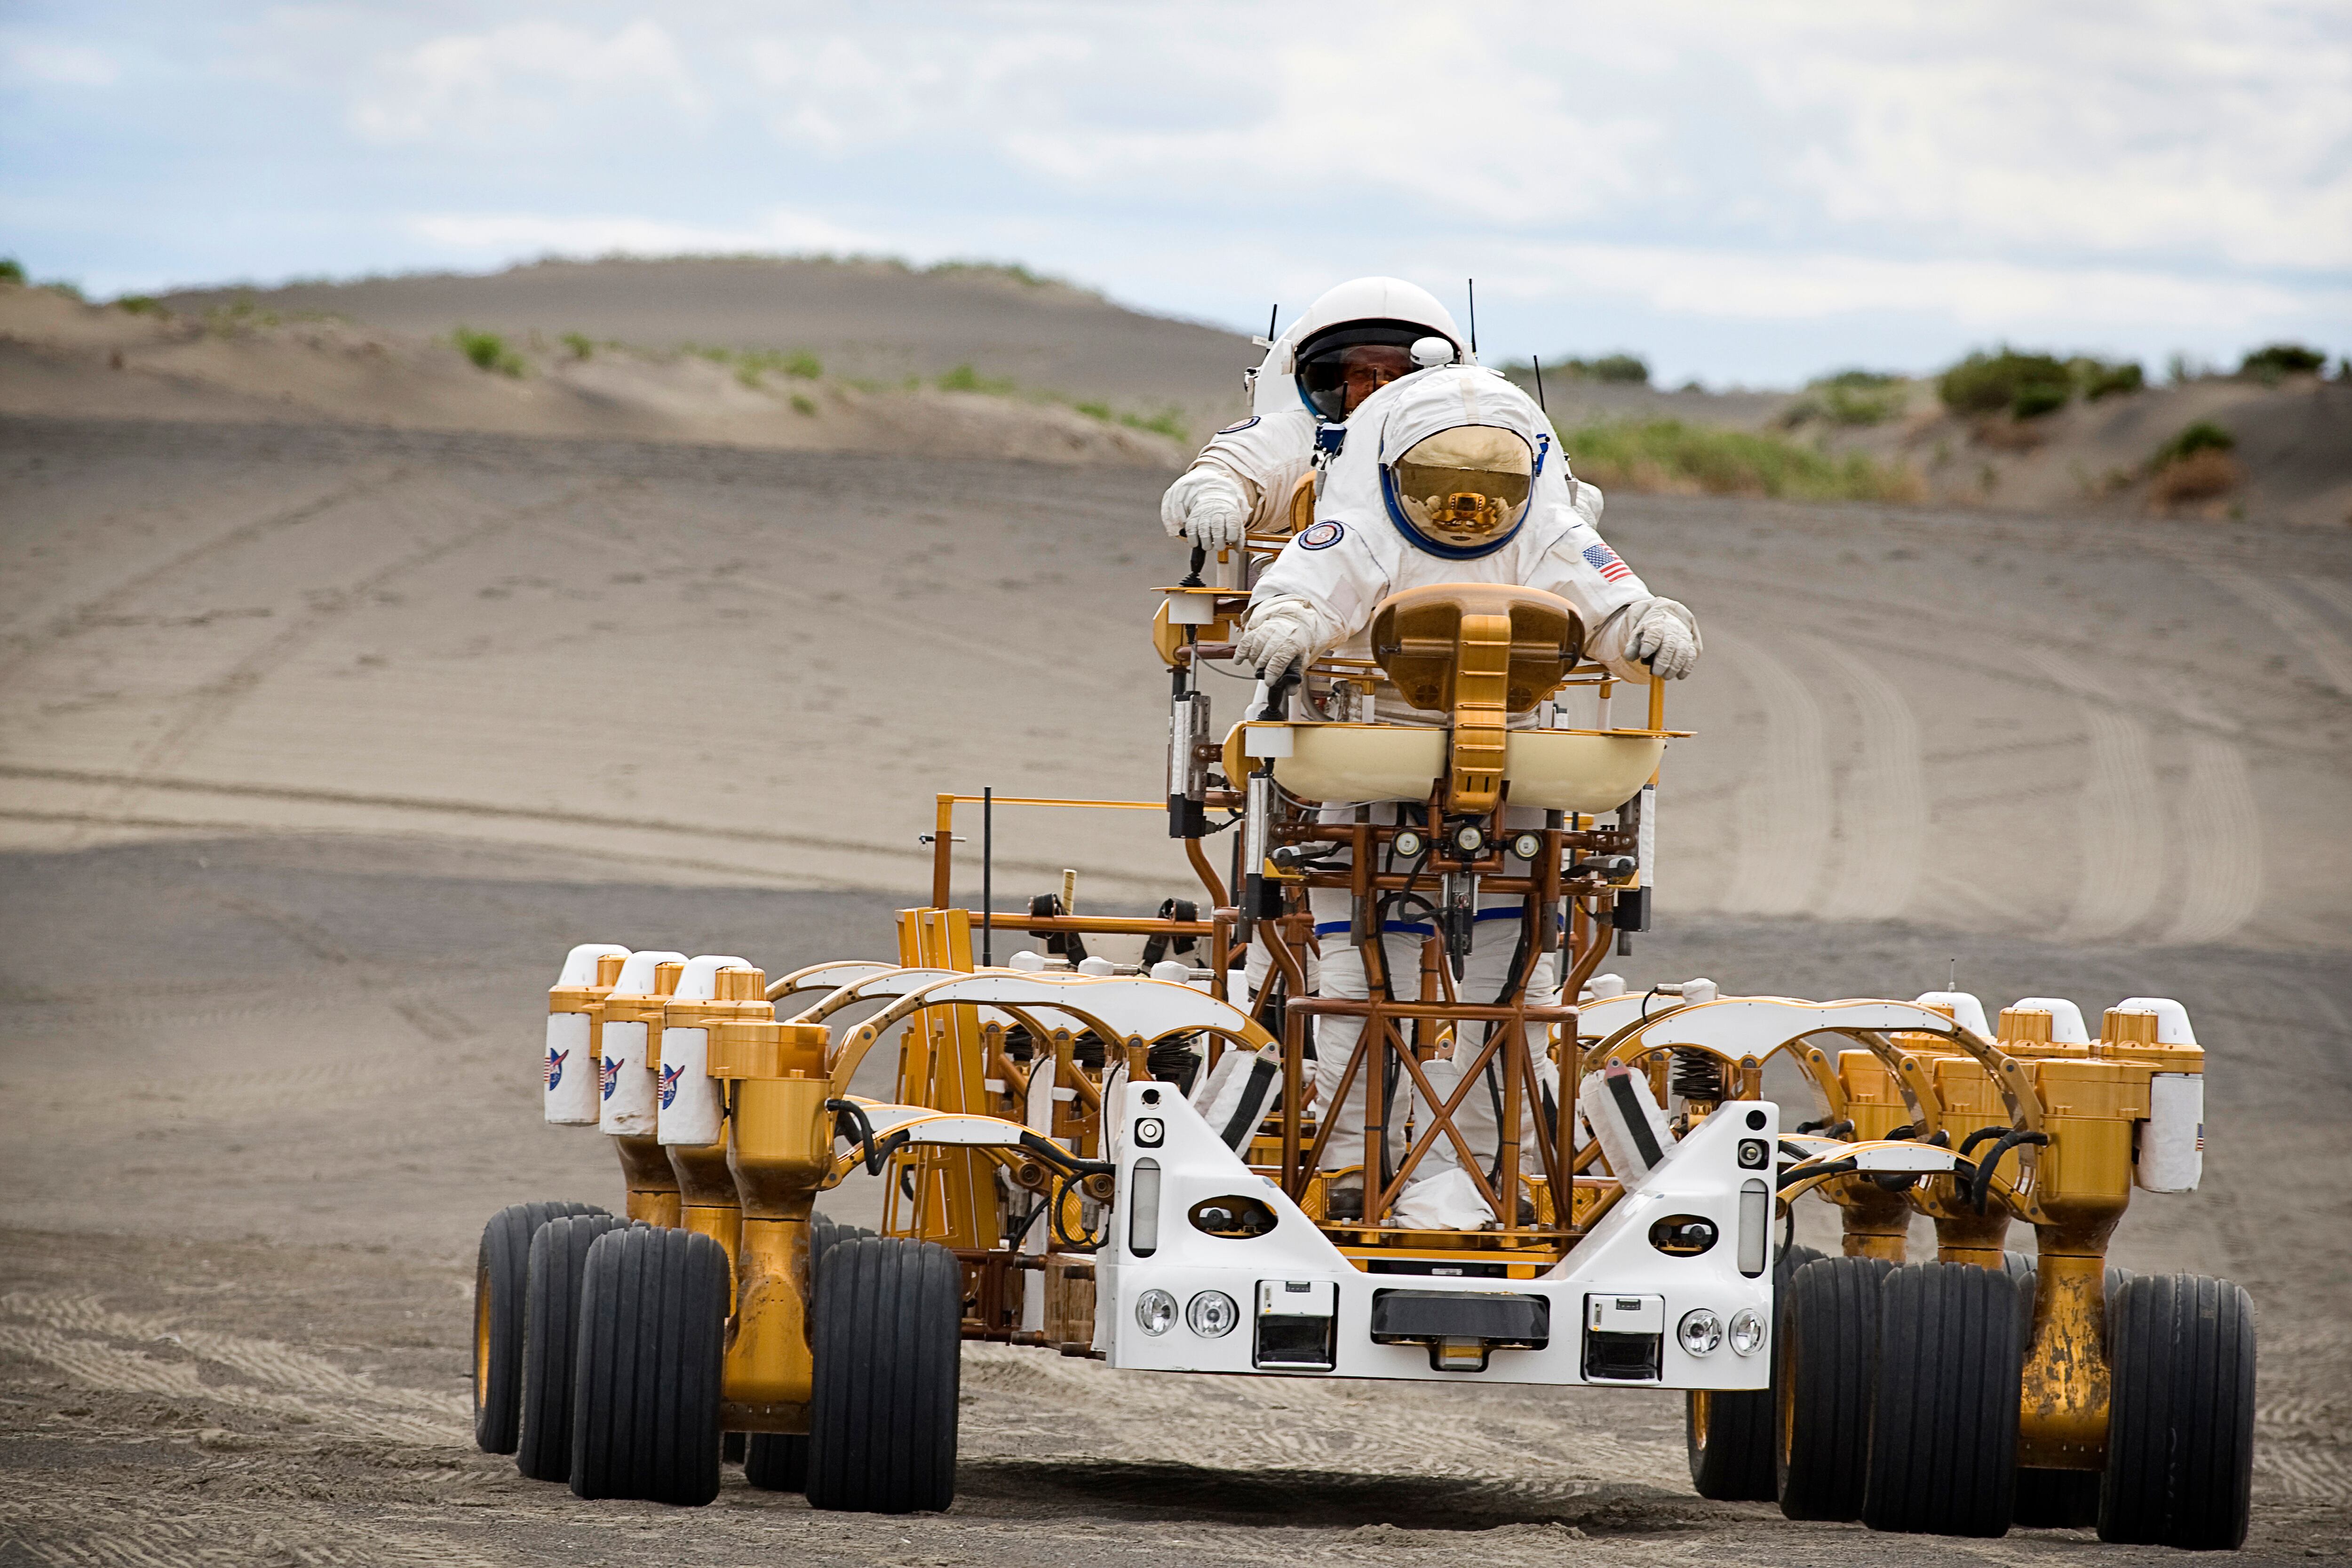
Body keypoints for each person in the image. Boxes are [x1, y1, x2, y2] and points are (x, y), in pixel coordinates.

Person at [1232, 362, 1701, 1223]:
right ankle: (1348, 1168)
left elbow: (1618, 609)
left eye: (1488, 489)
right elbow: (1300, 586)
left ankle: (1488, 1175)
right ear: (1395, 470)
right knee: (1351, 986)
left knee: (1514, 994)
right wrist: (1286, 624)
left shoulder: (1553, 535)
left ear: (1526, 478)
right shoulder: (1362, 530)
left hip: (1514, 782)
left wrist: (1654, 628)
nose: (1466, 508)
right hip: (1376, 760)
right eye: (1444, 485)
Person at [1160, 278, 1466, 552]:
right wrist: (1214, 500)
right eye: (1361, 373)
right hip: (1298, 593)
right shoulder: (1298, 438)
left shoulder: (1466, 448)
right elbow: (1223, 473)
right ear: (1331, 379)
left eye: (1396, 375)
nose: (1378, 387)